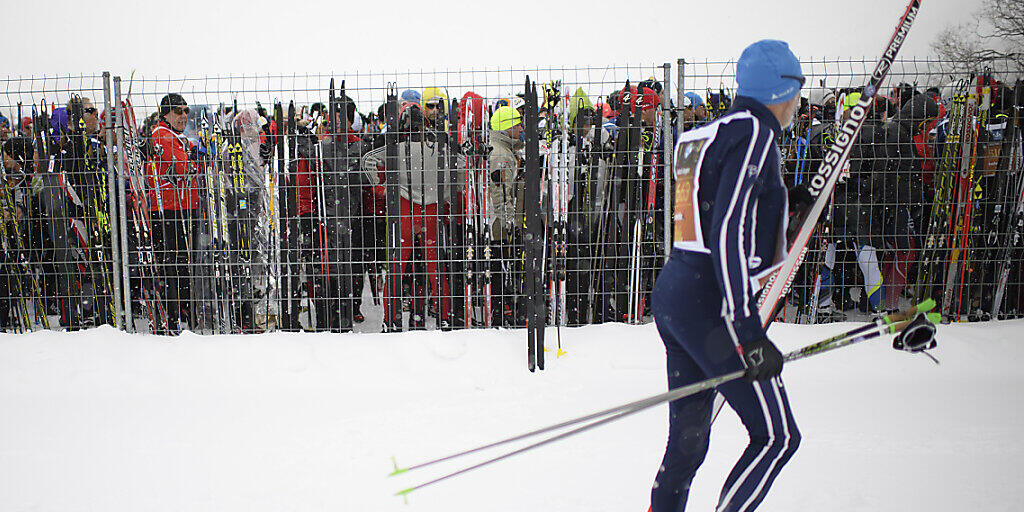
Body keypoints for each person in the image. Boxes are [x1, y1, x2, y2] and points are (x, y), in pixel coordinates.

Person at [651, 39, 803, 512]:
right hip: (711, 307)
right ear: (783, 90)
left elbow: (710, 208)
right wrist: (747, 328)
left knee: (688, 446)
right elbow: (729, 229)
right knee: (776, 436)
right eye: (797, 91)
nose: (799, 103)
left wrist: (783, 204)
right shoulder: (757, 132)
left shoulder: (708, 131)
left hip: (675, 294)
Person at [148, 93, 202, 332]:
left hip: (183, 207)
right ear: (165, 113)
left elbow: (192, 163)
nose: (183, 116)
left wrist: (197, 155)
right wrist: (194, 158)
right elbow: (183, 167)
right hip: (169, 210)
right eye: (178, 111)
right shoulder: (161, 136)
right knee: (174, 263)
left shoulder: (177, 137)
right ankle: (173, 314)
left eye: (186, 111)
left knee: (182, 262)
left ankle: (181, 309)